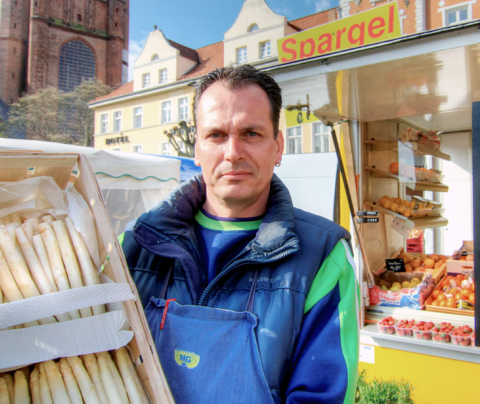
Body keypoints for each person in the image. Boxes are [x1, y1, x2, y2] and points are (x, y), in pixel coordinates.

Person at [121, 65, 360, 404]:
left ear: (278, 147)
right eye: (216, 135)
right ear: (197, 148)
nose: (232, 152)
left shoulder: (323, 255)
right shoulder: (131, 247)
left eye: (251, 133)